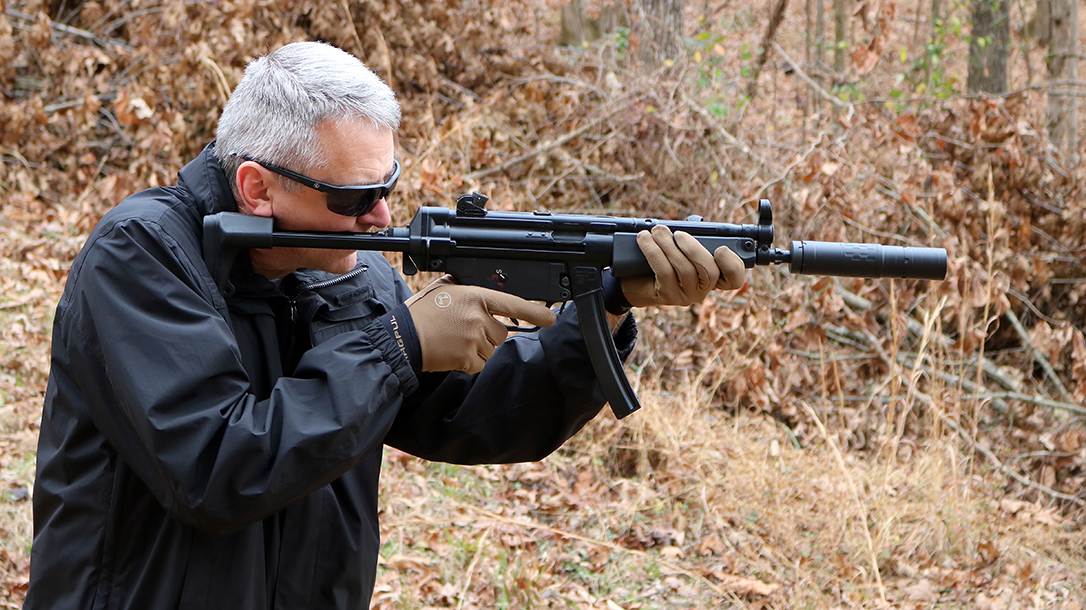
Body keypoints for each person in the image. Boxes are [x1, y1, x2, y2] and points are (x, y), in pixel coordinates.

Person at [25, 41, 745, 609]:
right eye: (355, 196)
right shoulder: (142, 254)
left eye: (387, 186)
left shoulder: (351, 265)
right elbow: (216, 467)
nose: (379, 217)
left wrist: (609, 303)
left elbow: (475, 417)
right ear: (257, 187)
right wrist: (400, 342)